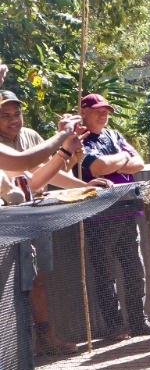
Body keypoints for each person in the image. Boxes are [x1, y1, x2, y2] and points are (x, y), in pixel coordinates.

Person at [0, 90, 108, 355]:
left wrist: (82, 184)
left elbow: (44, 173)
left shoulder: (30, 136)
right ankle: (16, 347)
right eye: (5, 115)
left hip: (35, 215)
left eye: (17, 114)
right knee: (10, 283)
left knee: (37, 277)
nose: (13, 120)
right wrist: (63, 144)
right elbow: (29, 170)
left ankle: (44, 336)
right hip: (8, 223)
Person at [77, 93, 150, 341]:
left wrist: (113, 162)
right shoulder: (79, 139)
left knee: (134, 269)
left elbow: (139, 163)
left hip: (127, 208)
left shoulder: (114, 135)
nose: (103, 115)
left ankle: (138, 321)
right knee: (105, 274)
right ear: (83, 111)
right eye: (97, 110)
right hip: (99, 213)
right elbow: (98, 167)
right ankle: (114, 327)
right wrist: (122, 157)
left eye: (106, 111)